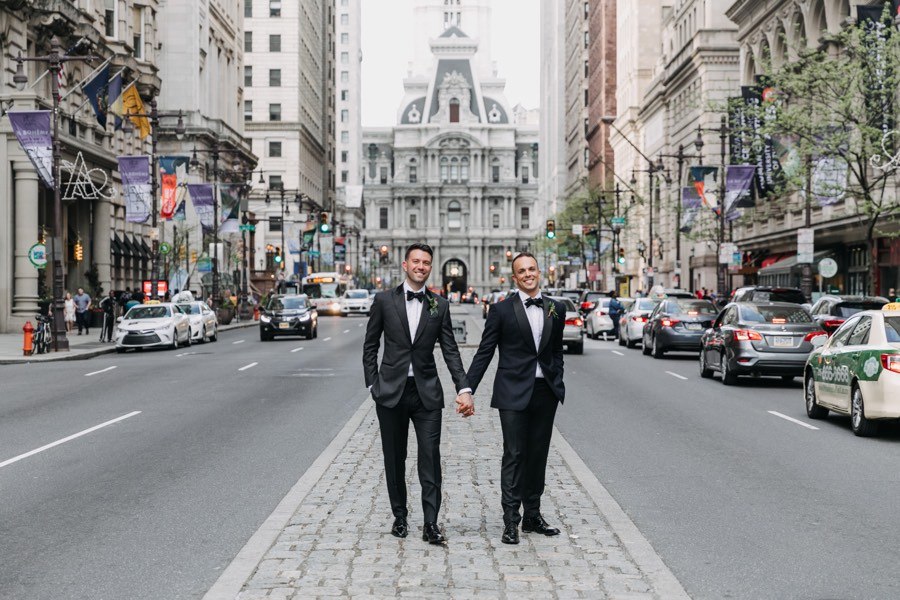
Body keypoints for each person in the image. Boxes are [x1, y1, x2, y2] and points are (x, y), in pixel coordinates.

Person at [362, 243, 472, 545]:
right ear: (405, 264)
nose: (421, 266)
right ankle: (399, 517)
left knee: (430, 458)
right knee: (394, 458)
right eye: (416, 261)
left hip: (427, 394)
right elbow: (370, 345)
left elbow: (450, 350)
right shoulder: (384, 300)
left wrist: (463, 386)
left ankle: (430, 523)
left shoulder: (440, 305)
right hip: (390, 393)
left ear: (430, 267)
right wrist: (373, 384)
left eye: (426, 263)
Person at [463, 252, 566, 545]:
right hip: (511, 393)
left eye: (532, 269)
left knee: (538, 455)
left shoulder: (556, 308)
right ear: (515, 277)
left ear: (539, 272)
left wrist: (557, 378)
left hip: (545, 392)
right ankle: (511, 520)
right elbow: (484, 352)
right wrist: (467, 388)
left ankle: (533, 515)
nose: (528, 274)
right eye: (522, 271)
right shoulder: (501, 310)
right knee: (515, 454)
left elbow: (556, 350)